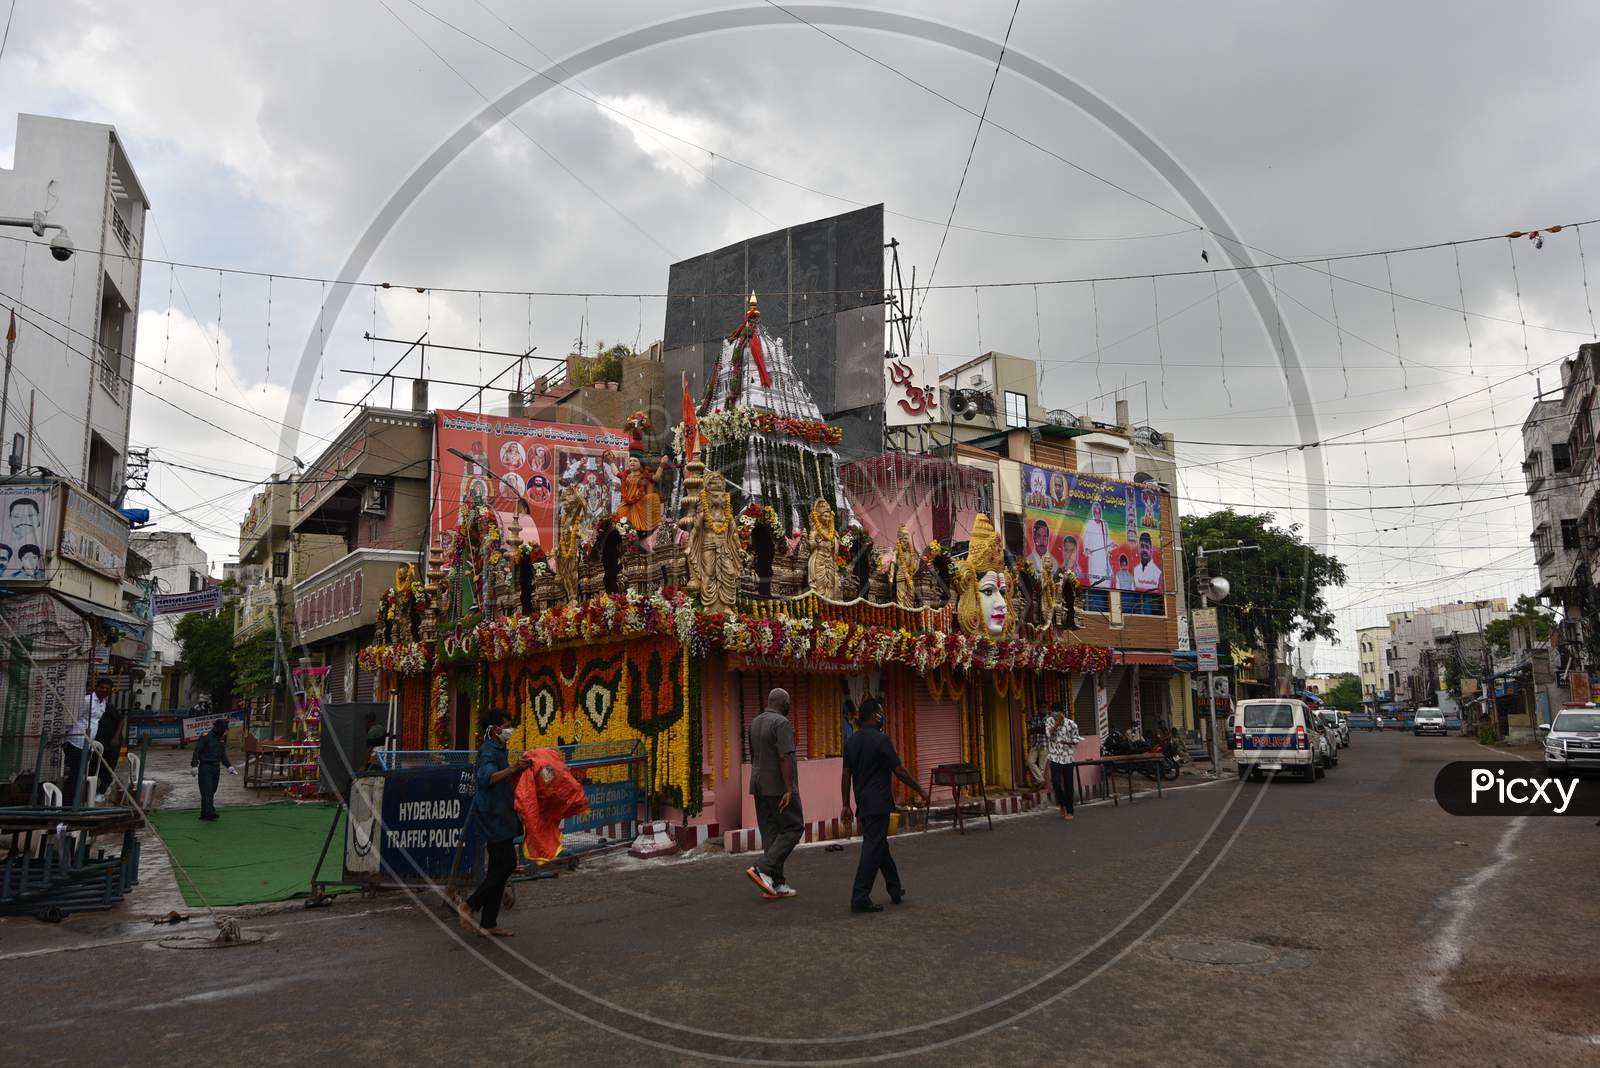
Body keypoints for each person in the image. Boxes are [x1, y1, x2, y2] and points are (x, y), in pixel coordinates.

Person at [840, 698, 929, 913]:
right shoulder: (881, 740)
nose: (883, 716)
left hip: (863, 802)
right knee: (873, 847)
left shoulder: (851, 742)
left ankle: (895, 888)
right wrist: (919, 789)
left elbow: (845, 775)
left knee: (879, 845)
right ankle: (859, 896)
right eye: (881, 712)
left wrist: (846, 804)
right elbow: (898, 770)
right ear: (874, 716)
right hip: (878, 803)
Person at [458, 709, 530, 937]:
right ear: (495, 728)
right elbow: (485, 778)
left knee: (500, 867)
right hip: (493, 816)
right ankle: (469, 905)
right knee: (507, 864)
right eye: (506, 725)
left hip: (501, 813)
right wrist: (512, 769)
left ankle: (489, 923)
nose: (509, 729)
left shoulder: (499, 748)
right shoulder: (488, 751)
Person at [745, 688, 802, 899]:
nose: (789, 708)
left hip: (758, 785)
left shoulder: (755, 722)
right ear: (784, 704)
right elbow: (785, 757)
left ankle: (775, 883)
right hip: (779, 786)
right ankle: (763, 869)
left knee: (771, 833)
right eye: (789, 704)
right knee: (794, 827)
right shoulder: (782, 723)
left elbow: (754, 756)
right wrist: (789, 788)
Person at [63, 678, 112, 803]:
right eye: (102, 687)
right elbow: (74, 718)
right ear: (96, 687)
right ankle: (67, 803)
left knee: (80, 774)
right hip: (77, 741)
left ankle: (75, 801)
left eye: (107, 689)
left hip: (88, 744)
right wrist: (66, 736)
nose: (104, 690)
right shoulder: (87, 700)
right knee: (75, 774)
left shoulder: (103, 703)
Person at [189, 717, 236, 821]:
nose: (225, 732)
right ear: (219, 728)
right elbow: (197, 751)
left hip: (216, 767)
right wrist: (194, 765)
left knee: (212, 790)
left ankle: (204, 813)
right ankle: (210, 812)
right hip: (206, 767)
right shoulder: (206, 736)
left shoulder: (221, 739)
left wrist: (229, 766)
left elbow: (222, 754)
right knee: (207, 790)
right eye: (224, 729)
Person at [1044, 706, 1083, 820]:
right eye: (1053, 713)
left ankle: (1070, 811)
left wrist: (1069, 741)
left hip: (1067, 758)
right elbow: (1049, 735)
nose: (1055, 715)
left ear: (1062, 712)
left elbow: (1077, 738)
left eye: (1058, 713)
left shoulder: (1071, 723)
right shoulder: (1049, 721)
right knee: (1055, 782)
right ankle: (1062, 804)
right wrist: (1057, 723)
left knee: (1068, 784)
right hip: (1054, 757)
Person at [1083, 500, 1112, 586]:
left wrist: (1111, 546)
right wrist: (1087, 549)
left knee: (1105, 577)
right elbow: (1086, 538)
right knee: (1094, 578)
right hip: (1094, 556)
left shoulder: (1104, 524)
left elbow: (1108, 538)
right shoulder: (1090, 523)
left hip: (1103, 555)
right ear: (1093, 513)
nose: (1097, 514)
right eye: (1095, 512)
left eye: (1098, 512)